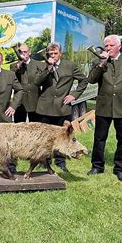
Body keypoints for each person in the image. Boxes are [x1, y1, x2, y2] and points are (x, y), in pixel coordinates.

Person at [87, 35, 122, 182]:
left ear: (118, 46)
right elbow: (91, 79)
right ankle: (97, 166)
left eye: (111, 46)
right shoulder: (99, 61)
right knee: (99, 138)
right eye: (106, 46)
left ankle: (120, 169)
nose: (108, 48)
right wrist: (101, 63)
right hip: (104, 106)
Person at [35, 42, 88, 172]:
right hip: (45, 108)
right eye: (50, 54)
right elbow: (36, 82)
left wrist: (74, 95)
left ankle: (61, 161)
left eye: (55, 53)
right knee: (45, 136)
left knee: (63, 136)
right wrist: (47, 69)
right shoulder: (43, 66)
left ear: (60, 54)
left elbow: (84, 80)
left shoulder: (70, 65)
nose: (53, 56)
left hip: (62, 107)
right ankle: (44, 160)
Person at [11, 44, 45, 122]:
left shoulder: (39, 64)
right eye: (20, 52)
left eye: (25, 52)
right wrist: (19, 64)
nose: (23, 54)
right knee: (19, 129)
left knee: (35, 129)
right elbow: (9, 77)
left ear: (29, 52)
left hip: (35, 102)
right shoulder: (14, 65)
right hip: (20, 102)